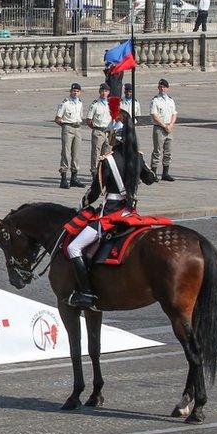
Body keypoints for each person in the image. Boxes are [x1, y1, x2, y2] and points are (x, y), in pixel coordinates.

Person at [66, 111, 156, 309]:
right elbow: (150, 179)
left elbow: (95, 193)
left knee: (73, 247)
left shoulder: (107, 160)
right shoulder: (138, 157)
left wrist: (84, 203)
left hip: (111, 214)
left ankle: (86, 293)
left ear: (114, 136)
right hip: (130, 212)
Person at [55, 82, 85, 189]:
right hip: (68, 127)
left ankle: (74, 177)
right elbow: (58, 118)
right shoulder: (65, 103)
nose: (75, 93)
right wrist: (65, 126)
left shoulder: (80, 103)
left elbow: (80, 116)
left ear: (80, 93)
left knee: (76, 153)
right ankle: (63, 177)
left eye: (77, 91)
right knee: (66, 153)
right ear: (70, 92)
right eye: (73, 91)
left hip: (78, 128)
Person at [150, 78, 177, 181]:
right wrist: (164, 126)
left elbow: (174, 113)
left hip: (169, 127)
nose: (162, 89)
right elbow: (154, 115)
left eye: (164, 87)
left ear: (167, 88)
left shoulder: (170, 100)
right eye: (160, 87)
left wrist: (171, 125)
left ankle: (165, 173)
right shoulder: (156, 100)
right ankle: (153, 173)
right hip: (159, 127)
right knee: (157, 151)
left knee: (168, 151)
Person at [86, 83, 112, 182]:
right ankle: (94, 172)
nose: (103, 93)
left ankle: (105, 173)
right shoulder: (95, 104)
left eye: (105, 91)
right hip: (98, 130)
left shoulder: (111, 103)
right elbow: (89, 120)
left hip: (108, 132)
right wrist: (96, 128)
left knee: (107, 153)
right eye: (102, 91)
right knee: (96, 153)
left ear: (108, 92)